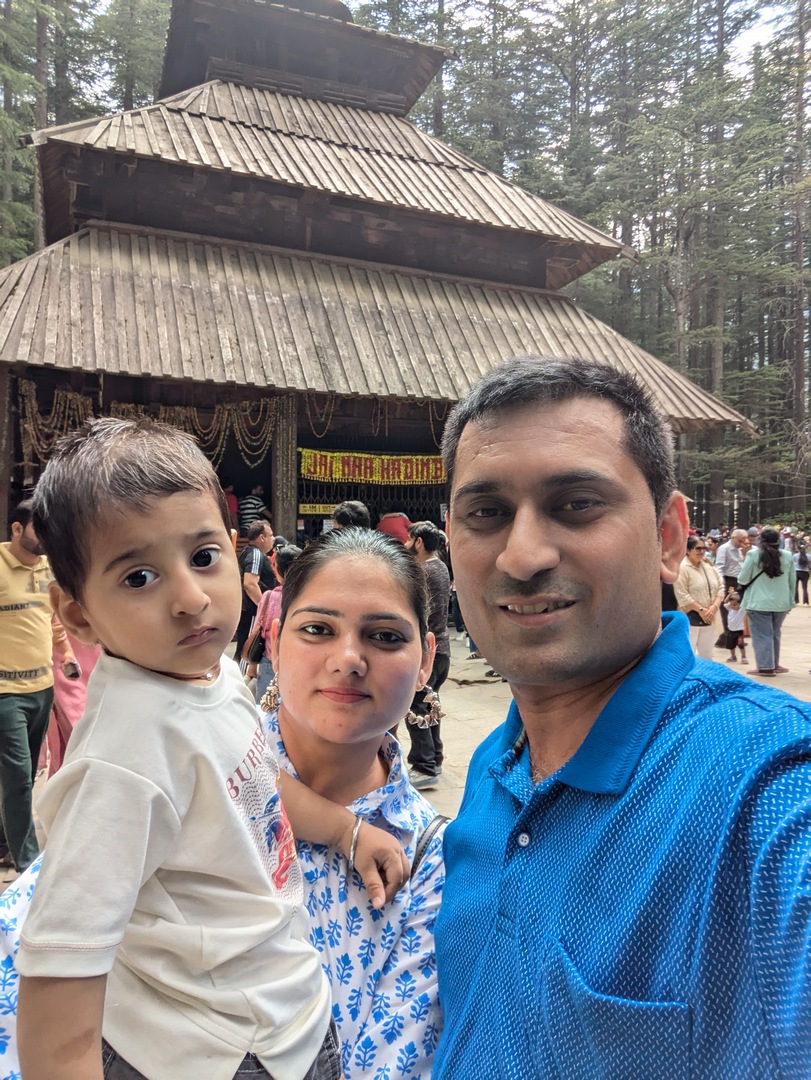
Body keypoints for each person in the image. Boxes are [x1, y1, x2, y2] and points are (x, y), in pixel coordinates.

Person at [432, 355, 811, 1077]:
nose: (521, 554)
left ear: (669, 536)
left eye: (576, 504)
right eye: (485, 514)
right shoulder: (492, 766)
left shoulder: (764, 790)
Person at [15, 418, 408, 1080]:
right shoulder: (122, 764)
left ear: (231, 549)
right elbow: (58, 976)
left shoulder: (210, 674)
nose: (192, 599)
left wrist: (345, 830)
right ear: (77, 613)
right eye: (139, 577)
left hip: (286, 1013)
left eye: (202, 558)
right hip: (213, 1050)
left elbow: (249, 783)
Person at [263, 527, 446, 1075]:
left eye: (386, 637)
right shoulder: (188, 764)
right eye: (317, 629)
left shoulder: (429, 858)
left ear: (425, 660)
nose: (348, 659)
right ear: (274, 641)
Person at [0, 500, 76, 874]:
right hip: (5, 694)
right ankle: (27, 861)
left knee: (25, 777)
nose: (44, 538)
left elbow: (54, 623)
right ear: (16, 529)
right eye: (36, 529)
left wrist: (67, 656)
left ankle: (4, 841)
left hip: (41, 688)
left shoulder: (49, 571)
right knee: (17, 775)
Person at [404, 521, 451, 789]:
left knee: (417, 705)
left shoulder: (423, 571)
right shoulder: (441, 567)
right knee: (429, 703)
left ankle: (424, 764)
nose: (407, 544)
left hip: (427, 650)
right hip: (441, 649)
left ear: (419, 542)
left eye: (410, 539)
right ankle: (435, 757)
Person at [244, 543, 302, 703]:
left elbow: (259, 630)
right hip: (300, 662)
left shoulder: (269, 596)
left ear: (278, 571)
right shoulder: (307, 597)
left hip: (270, 661)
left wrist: (252, 665)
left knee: (266, 710)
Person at [737, 525, 796, 677]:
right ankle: (774, 663)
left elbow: (743, 578)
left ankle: (765, 666)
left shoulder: (753, 555)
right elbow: (792, 581)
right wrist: (790, 600)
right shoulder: (788, 555)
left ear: (760, 540)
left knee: (762, 634)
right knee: (775, 633)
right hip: (781, 602)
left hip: (758, 602)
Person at [674, 535, 724, 659]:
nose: (702, 552)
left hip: (710, 617)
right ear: (688, 550)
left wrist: (714, 607)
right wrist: (701, 610)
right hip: (690, 617)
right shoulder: (682, 568)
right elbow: (682, 594)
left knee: (707, 656)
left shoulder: (709, 567)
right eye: (698, 548)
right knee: (688, 655)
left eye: (703, 548)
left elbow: (721, 586)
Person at [235, 519, 275, 663]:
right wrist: (264, 609)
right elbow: (250, 584)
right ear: (262, 537)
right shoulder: (256, 554)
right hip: (252, 610)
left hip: (247, 608)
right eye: (270, 535)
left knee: (244, 648)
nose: (273, 539)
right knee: (249, 650)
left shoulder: (247, 551)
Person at [713, 527, 747, 630]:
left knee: (738, 608)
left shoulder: (739, 550)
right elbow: (719, 566)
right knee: (728, 608)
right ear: (733, 537)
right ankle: (727, 635)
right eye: (739, 541)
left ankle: (735, 635)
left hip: (739, 581)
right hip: (728, 580)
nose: (741, 543)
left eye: (743, 541)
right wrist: (721, 580)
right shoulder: (724, 548)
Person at [722, 590, 748, 665]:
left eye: (735, 604)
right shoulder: (730, 608)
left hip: (739, 631)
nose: (733, 606)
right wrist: (730, 595)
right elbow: (725, 602)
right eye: (731, 604)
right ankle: (733, 656)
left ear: (740, 604)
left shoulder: (741, 610)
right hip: (731, 630)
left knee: (740, 644)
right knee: (731, 645)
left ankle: (744, 656)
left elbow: (744, 603)